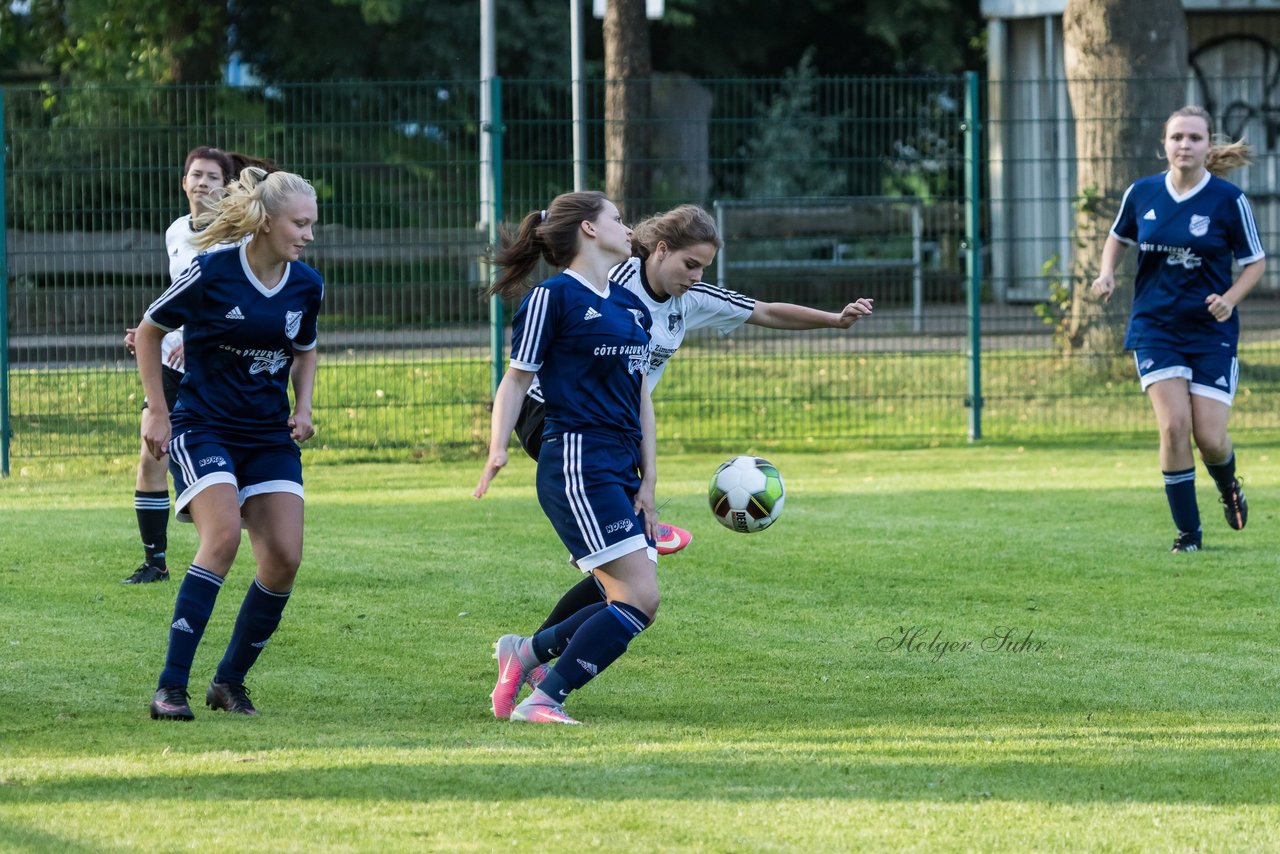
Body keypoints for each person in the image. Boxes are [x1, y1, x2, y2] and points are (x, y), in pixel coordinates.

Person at [517, 203, 874, 631]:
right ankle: (602, 528)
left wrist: (835, 320)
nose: (697, 276)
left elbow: (765, 310)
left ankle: (532, 651)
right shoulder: (614, 280)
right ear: (661, 250)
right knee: (627, 555)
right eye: (691, 264)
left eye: (704, 267)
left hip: (615, 426)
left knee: (627, 575)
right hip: (554, 413)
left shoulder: (691, 299)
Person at [136, 167, 323, 720]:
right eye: (300, 223)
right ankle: (170, 687)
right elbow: (149, 330)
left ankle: (229, 682)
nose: (309, 235)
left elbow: (306, 347)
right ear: (266, 222)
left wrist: (304, 405)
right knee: (220, 540)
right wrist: (157, 409)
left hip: (268, 435)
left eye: (313, 224)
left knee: (285, 558)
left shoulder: (306, 284)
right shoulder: (211, 272)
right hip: (203, 425)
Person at [474, 190, 657, 725]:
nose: (630, 230)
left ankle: (525, 653)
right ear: (589, 230)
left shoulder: (629, 306)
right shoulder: (551, 298)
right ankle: (543, 699)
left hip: (620, 464)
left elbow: (640, 396)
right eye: (619, 219)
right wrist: (497, 448)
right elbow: (515, 381)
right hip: (577, 459)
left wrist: (649, 480)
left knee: (621, 590)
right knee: (639, 596)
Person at [1090, 105, 1264, 553]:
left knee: (1209, 436)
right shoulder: (1143, 192)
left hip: (1210, 332)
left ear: (1208, 146)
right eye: (1177, 138)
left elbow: (1255, 262)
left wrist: (1229, 299)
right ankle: (1189, 534)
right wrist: (1107, 272)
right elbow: (1117, 237)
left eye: (1194, 138)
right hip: (1156, 328)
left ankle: (1228, 487)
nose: (1184, 145)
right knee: (1173, 427)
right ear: (1164, 145)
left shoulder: (1228, 201)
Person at [122, 147, 277, 584]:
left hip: (220, 365)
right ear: (184, 182)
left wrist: (201, 341)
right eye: (196, 175)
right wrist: (151, 334)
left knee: (234, 460)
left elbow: (245, 303)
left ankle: (259, 547)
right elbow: (178, 298)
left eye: (212, 176)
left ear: (227, 185)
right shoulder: (175, 231)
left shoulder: (241, 238)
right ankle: (155, 562)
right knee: (151, 452)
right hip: (171, 363)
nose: (203, 182)